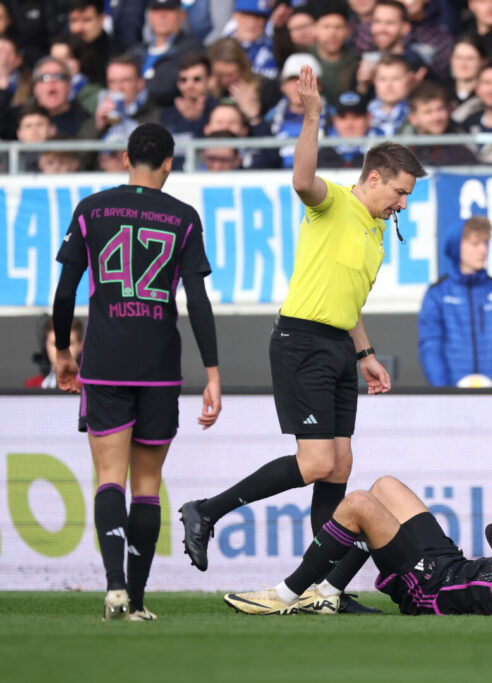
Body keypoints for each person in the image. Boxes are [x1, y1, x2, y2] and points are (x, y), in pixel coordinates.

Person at [180, 66, 427, 618]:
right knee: (317, 463)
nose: (403, 204)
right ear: (375, 177)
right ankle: (207, 510)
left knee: (339, 466)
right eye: (400, 192)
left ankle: (325, 592)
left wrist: (365, 355)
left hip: (338, 346)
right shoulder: (334, 202)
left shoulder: (377, 229)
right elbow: (300, 180)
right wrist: (312, 115)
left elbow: (350, 300)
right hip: (301, 343)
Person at [52, 122, 222, 621]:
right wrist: (212, 372)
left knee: (109, 478)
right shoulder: (184, 217)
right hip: (159, 364)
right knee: (148, 484)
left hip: (104, 360)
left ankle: (115, 591)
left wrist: (63, 351)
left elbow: (65, 292)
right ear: (169, 163)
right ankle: (140, 601)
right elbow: (198, 300)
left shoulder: (91, 209)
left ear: (126, 157)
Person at [221, 475, 492, 616]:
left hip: (429, 589)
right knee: (385, 486)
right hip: (449, 564)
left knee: (358, 505)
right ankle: (330, 595)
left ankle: (283, 597)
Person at [418, 216, 492, 387]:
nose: (483, 250)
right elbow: (431, 347)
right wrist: (442, 392)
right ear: (456, 247)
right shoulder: (436, 294)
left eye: (485, 243)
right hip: (450, 398)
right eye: (475, 244)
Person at [403, 81, 480, 166]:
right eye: (428, 112)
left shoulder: (463, 148)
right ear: (412, 119)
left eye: (440, 109)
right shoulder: (403, 151)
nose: (436, 117)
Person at [24, 315, 83, 389]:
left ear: (81, 345)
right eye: (55, 344)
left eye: (68, 344)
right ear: (45, 345)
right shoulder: (30, 386)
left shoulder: (91, 388)